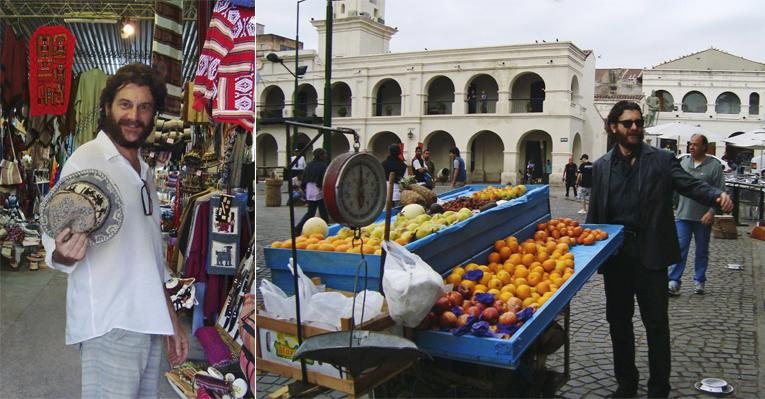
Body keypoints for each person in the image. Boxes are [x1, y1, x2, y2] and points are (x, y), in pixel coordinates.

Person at [40, 63, 189, 398]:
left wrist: (171, 321)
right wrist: (62, 253)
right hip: (111, 323)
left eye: (144, 107)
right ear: (107, 106)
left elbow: (151, 258)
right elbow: (53, 228)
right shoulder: (87, 160)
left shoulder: (145, 172)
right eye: (125, 104)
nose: (134, 116)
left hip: (147, 321)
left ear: (153, 115)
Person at [586, 100, 732, 398]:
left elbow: (690, 185)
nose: (635, 128)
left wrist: (716, 195)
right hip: (617, 259)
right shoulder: (602, 167)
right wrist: (588, 252)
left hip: (651, 256)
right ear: (614, 127)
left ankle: (658, 389)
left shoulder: (662, 160)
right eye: (628, 123)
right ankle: (626, 384)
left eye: (638, 123)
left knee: (656, 326)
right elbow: (595, 216)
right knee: (619, 324)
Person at [668, 134, 725, 296]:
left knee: (702, 250)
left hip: (703, 217)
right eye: (690, 144)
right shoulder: (684, 163)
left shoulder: (714, 166)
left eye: (695, 144)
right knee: (680, 248)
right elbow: (675, 186)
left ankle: (699, 280)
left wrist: (712, 212)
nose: (691, 147)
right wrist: (672, 205)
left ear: (704, 147)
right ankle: (673, 281)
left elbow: (720, 191)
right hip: (683, 215)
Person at [294, 148, 330, 235]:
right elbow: (323, 179)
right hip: (318, 190)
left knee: (311, 212)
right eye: (324, 154)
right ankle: (325, 229)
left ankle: (298, 228)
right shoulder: (323, 165)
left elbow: (305, 178)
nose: (325, 156)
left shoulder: (309, 165)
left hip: (310, 190)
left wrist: (304, 188)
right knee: (322, 212)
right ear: (320, 155)